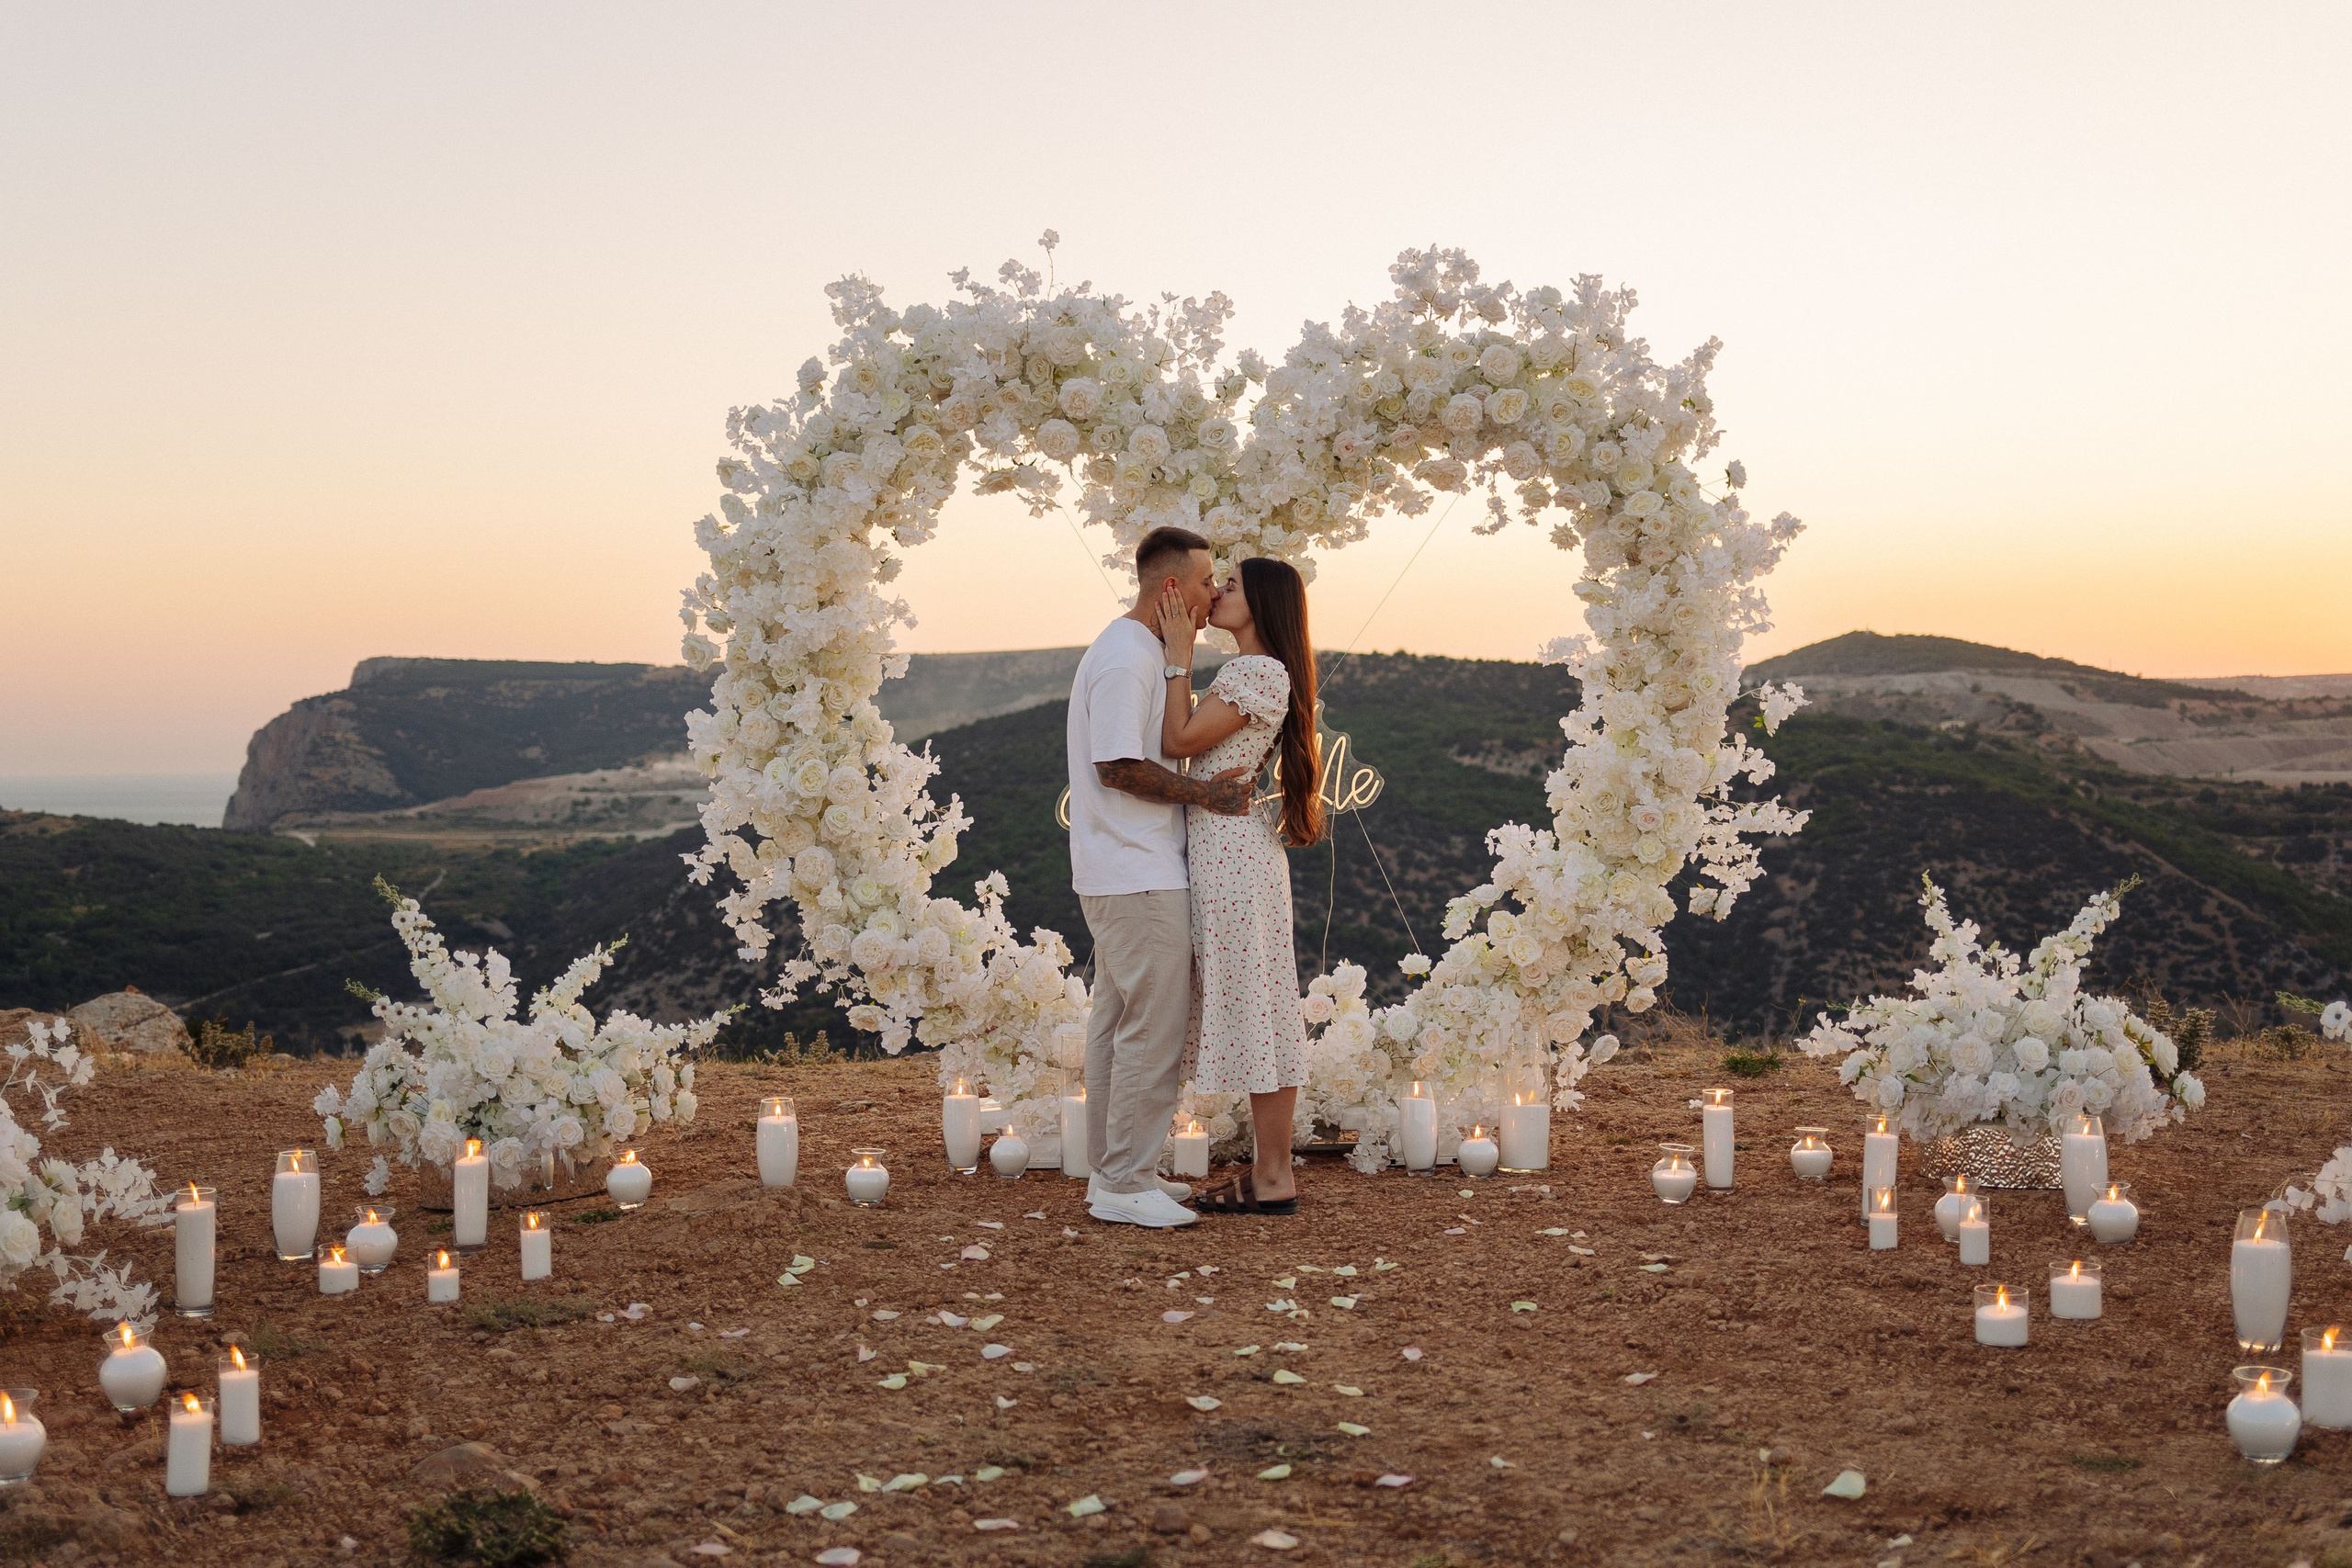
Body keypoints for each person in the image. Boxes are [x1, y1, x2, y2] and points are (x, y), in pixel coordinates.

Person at [1066, 525, 1254, 1229]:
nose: (1215, 593)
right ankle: (1122, 1181)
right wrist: (1210, 796)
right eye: (1208, 581)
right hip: (1136, 873)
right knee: (1154, 1026)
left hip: (1121, 871)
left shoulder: (1139, 650)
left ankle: (1117, 1172)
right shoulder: (1126, 659)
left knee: (1118, 1023)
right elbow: (1116, 765)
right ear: (1172, 588)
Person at [1153, 556, 1323, 1216]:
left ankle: (1275, 1173)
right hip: (1238, 854)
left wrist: (1177, 655)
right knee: (1265, 1002)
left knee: (1258, 1000)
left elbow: (1177, 736)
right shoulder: (1263, 671)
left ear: (1262, 605)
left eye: (1231, 587)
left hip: (1231, 858)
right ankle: (1272, 1172)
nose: (1218, 592)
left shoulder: (1253, 671)